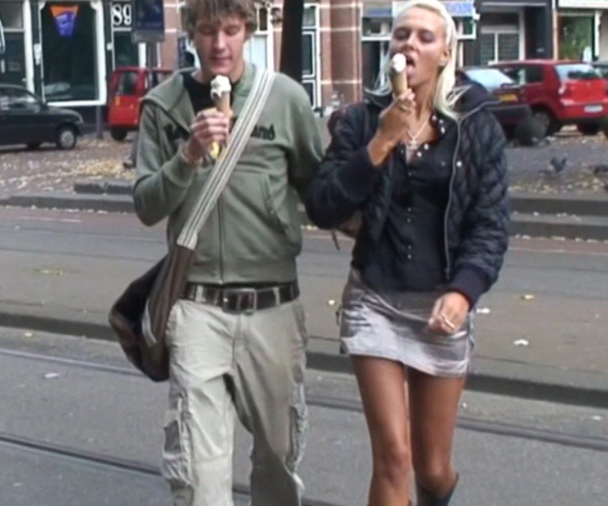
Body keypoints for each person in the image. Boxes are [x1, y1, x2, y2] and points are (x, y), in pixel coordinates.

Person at [303, 1, 510, 505]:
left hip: (441, 307)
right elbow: (323, 206)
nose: (409, 45)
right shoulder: (360, 121)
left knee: (432, 468)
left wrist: (464, 292)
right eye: (400, 36)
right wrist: (380, 143)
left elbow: (490, 225)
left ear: (446, 53)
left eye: (423, 37)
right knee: (393, 456)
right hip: (375, 300)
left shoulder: (476, 125)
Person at [131, 0, 324, 504]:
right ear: (191, 33)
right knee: (200, 475)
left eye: (231, 30)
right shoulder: (163, 105)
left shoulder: (284, 98)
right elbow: (147, 205)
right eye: (208, 31)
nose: (219, 44)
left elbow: (321, 189)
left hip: (272, 304)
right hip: (197, 307)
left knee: (278, 459)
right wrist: (188, 156)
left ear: (248, 32)